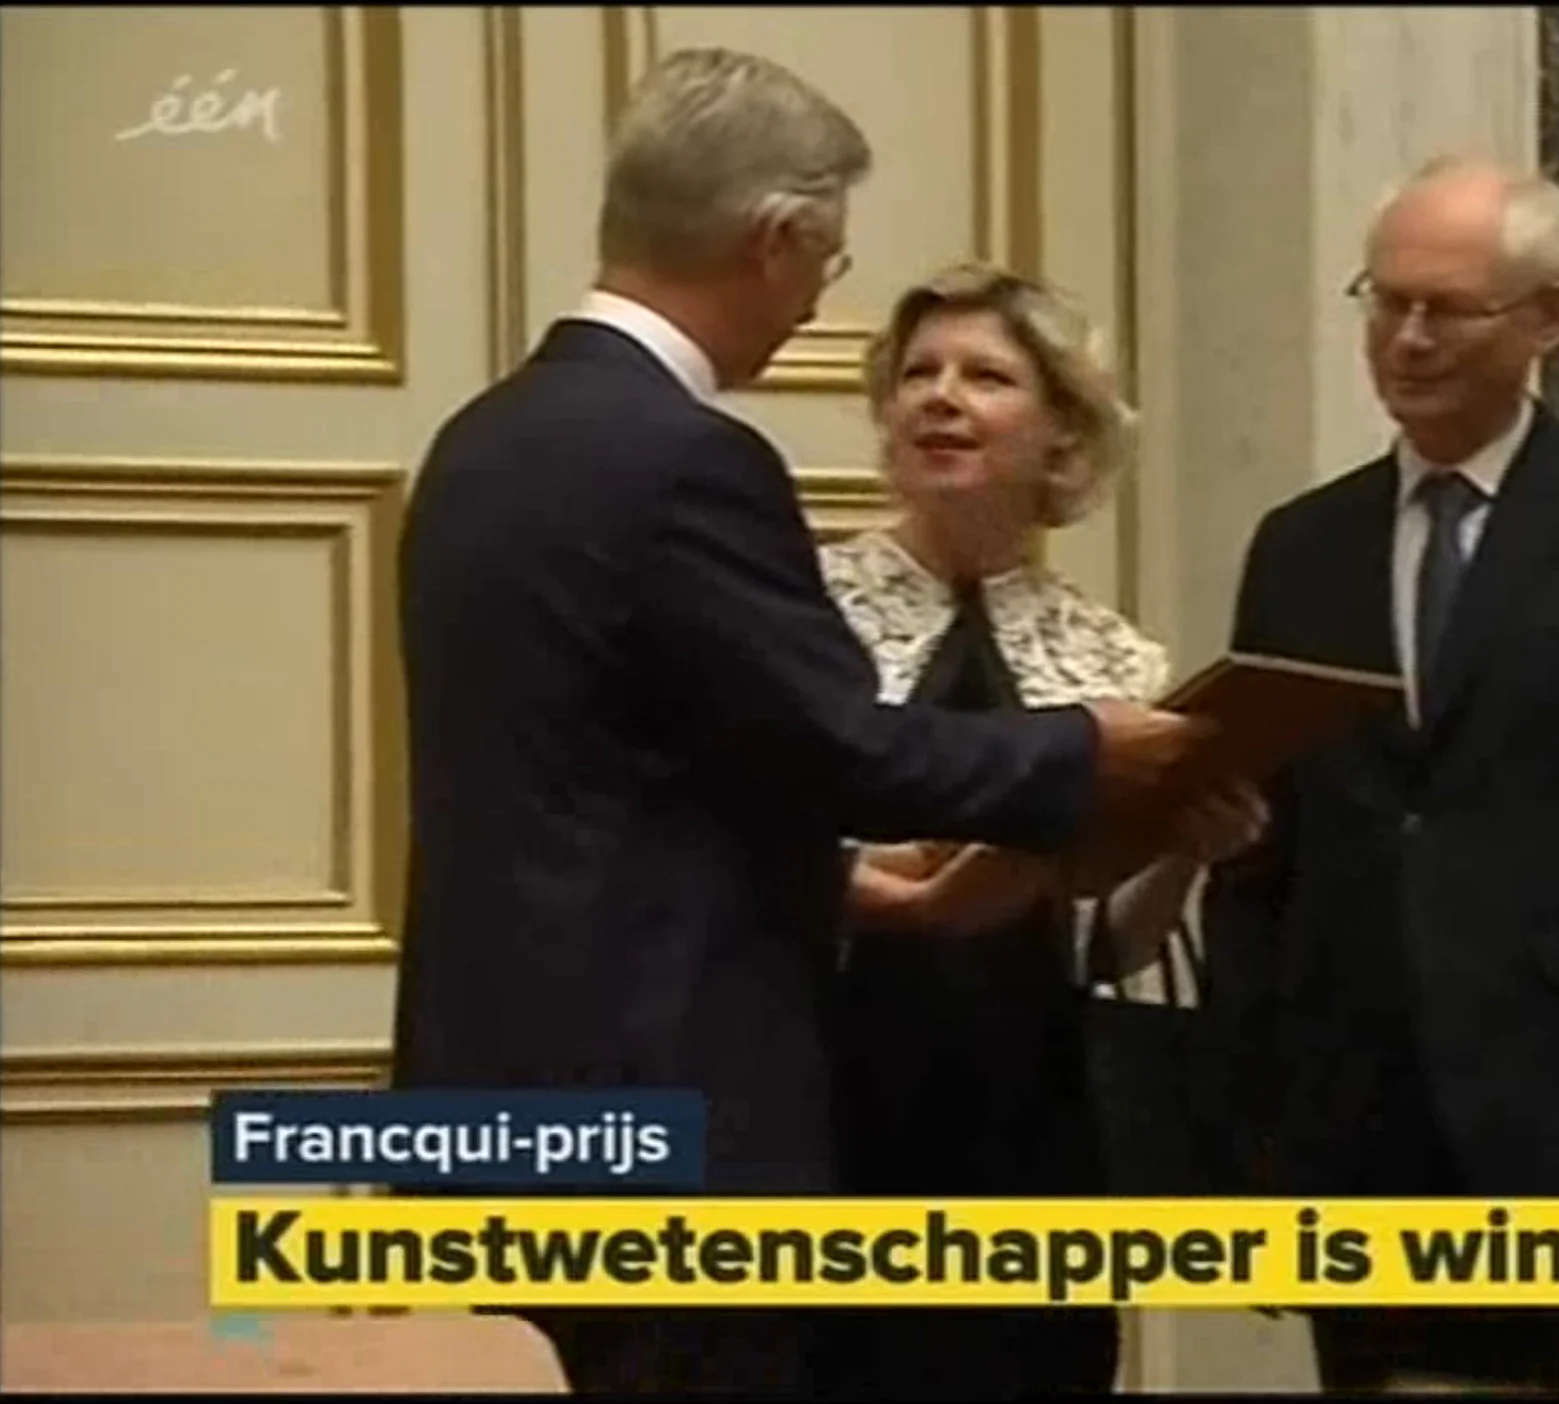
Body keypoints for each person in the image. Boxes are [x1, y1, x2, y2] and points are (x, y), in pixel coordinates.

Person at [389, 50, 1208, 1397]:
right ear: (774, 238)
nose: (817, 301)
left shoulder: (480, 441)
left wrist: (849, 890)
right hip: (669, 1129)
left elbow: (618, 786)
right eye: (826, 262)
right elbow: (846, 749)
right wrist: (1088, 749)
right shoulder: (688, 459)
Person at [1198, 156, 1559, 1393]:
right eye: (1386, 302)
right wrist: (1255, 1126)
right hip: (1358, 1124)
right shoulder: (1302, 545)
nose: (1408, 340)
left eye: (1448, 310)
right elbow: (1260, 858)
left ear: (1548, 320)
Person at [808, 262, 1269, 1398]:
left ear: (1063, 431)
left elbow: (1107, 943)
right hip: (822, 1100)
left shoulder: (1111, 660)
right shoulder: (803, 614)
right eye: (918, 374)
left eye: (985, 377)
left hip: (1030, 1117)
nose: (940, 398)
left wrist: (1185, 849)